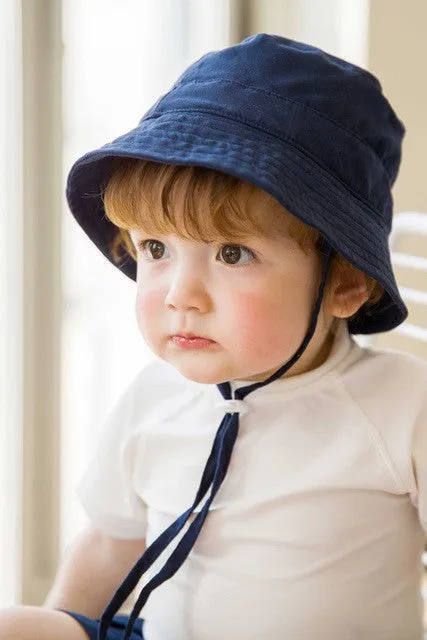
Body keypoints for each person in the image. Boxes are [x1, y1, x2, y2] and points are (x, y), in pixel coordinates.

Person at [1, 33, 426, 640]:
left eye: (233, 253)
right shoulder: (154, 396)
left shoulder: (401, 403)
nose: (180, 294)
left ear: (346, 285)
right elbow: (108, 542)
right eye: (155, 249)